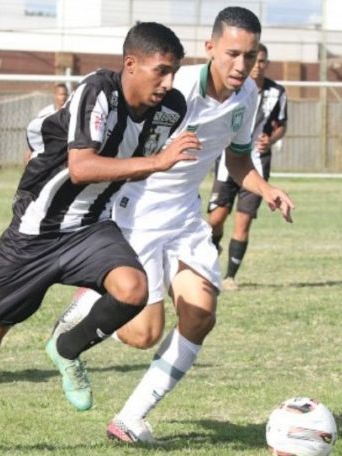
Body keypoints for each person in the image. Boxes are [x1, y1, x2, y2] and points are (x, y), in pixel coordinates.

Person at [0, 22, 199, 456]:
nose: (168, 82)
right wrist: (159, 162)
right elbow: (83, 166)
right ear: (130, 65)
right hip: (36, 231)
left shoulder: (172, 109)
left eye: (174, 72)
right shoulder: (98, 91)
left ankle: (66, 347)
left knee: (134, 288)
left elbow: (130, 165)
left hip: (91, 226)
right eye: (160, 71)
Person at [51, 7, 293, 443]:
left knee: (200, 315)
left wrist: (265, 186)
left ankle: (129, 419)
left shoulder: (250, 95)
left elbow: (236, 160)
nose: (241, 65)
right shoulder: (173, 84)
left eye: (250, 56)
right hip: (135, 213)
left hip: (184, 217)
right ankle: (90, 300)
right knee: (143, 335)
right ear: (210, 49)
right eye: (232, 54)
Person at [207, 42, 288, 291]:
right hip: (228, 159)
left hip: (257, 163)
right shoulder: (235, 87)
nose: (256, 66)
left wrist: (270, 139)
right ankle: (210, 249)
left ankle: (230, 277)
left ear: (265, 63)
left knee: (243, 221)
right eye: (255, 60)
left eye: (261, 60)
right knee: (216, 218)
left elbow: (281, 124)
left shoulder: (277, 92)